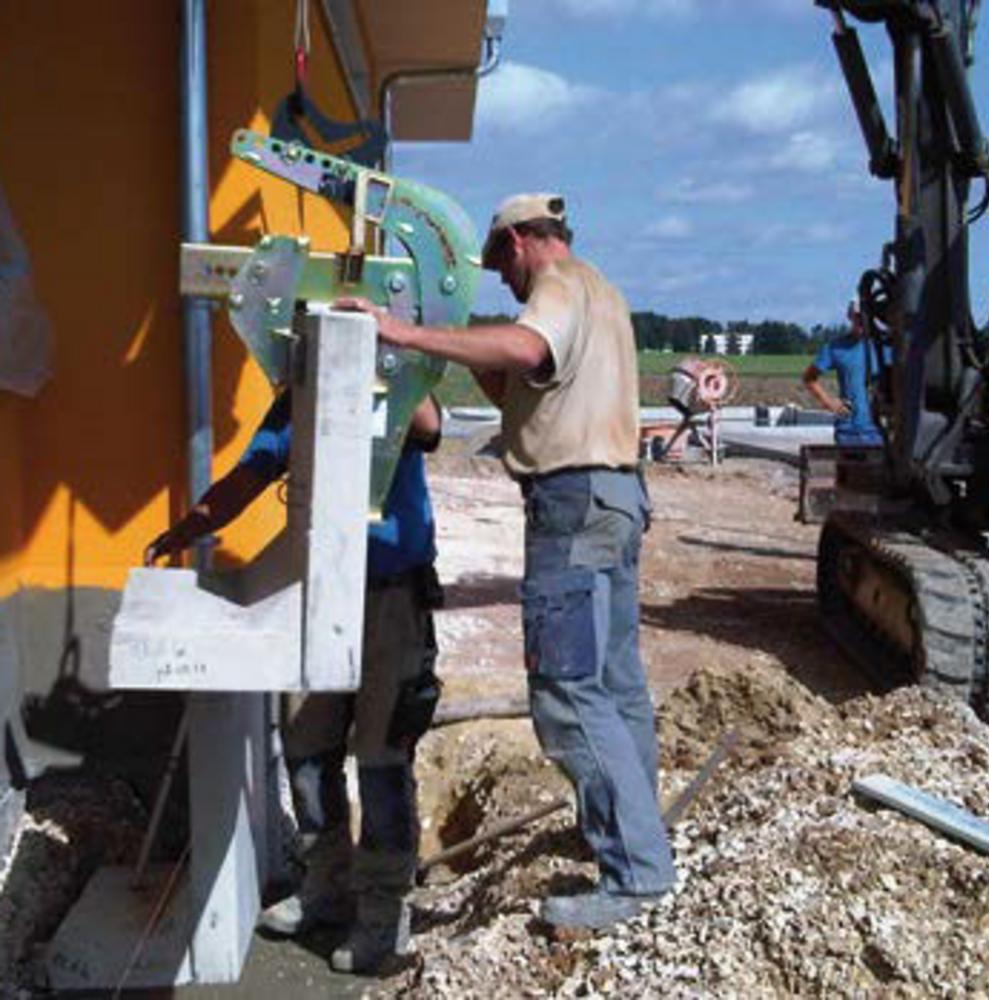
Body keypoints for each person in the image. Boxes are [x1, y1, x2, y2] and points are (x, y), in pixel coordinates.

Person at [337, 192, 676, 932]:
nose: (503, 281)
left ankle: (637, 877)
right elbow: (527, 383)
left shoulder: (554, 284)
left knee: (566, 693)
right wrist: (447, 345)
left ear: (523, 240)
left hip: (572, 506)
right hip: (615, 497)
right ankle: (638, 837)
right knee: (616, 684)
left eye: (502, 265)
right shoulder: (602, 290)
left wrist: (401, 330)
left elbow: (525, 349)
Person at [144, 390, 443, 974]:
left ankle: (382, 916)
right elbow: (250, 474)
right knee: (307, 750)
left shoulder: (394, 380)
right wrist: (188, 529)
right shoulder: (295, 404)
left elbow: (430, 422)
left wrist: (384, 342)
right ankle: (324, 886)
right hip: (314, 594)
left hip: (391, 596)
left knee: (381, 759)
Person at [803, 303, 888, 446]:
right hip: (847, 431)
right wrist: (829, 402)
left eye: (866, 317)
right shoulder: (835, 348)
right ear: (850, 317)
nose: (862, 321)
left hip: (878, 431)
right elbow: (809, 378)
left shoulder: (884, 348)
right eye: (858, 317)